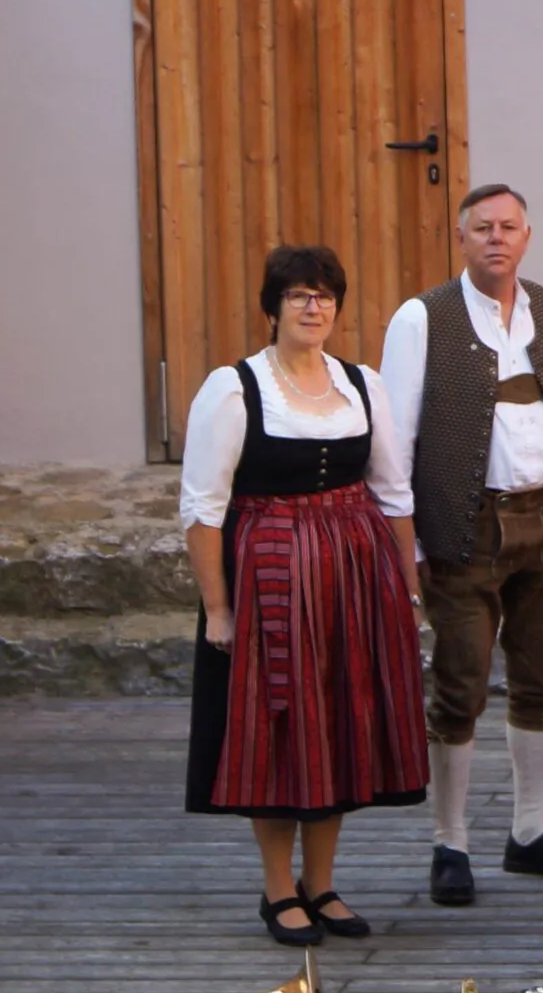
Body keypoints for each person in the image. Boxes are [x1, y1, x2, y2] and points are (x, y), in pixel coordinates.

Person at [181, 246, 428, 944]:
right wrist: (219, 609)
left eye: (324, 296)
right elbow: (202, 509)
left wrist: (407, 589)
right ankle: (278, 888)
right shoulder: (233, 390)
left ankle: (322, 883)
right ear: (273, 308)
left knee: (340, 725)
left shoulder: (361, 385)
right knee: (281, 731)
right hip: (269, 582)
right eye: (298, 296)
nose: (313, 307)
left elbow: (392, 492)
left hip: (354, 577)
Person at [379, 182, 543, 909]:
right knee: (460, 683)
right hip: (464, 524)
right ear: (461, 237)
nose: (497, 239)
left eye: (509, 227)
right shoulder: (423, 318)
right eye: (482, 228)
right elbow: (395, 438)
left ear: (527, 235)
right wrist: (405, 537)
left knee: (541, 677)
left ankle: (530, 828)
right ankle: (451, 839)